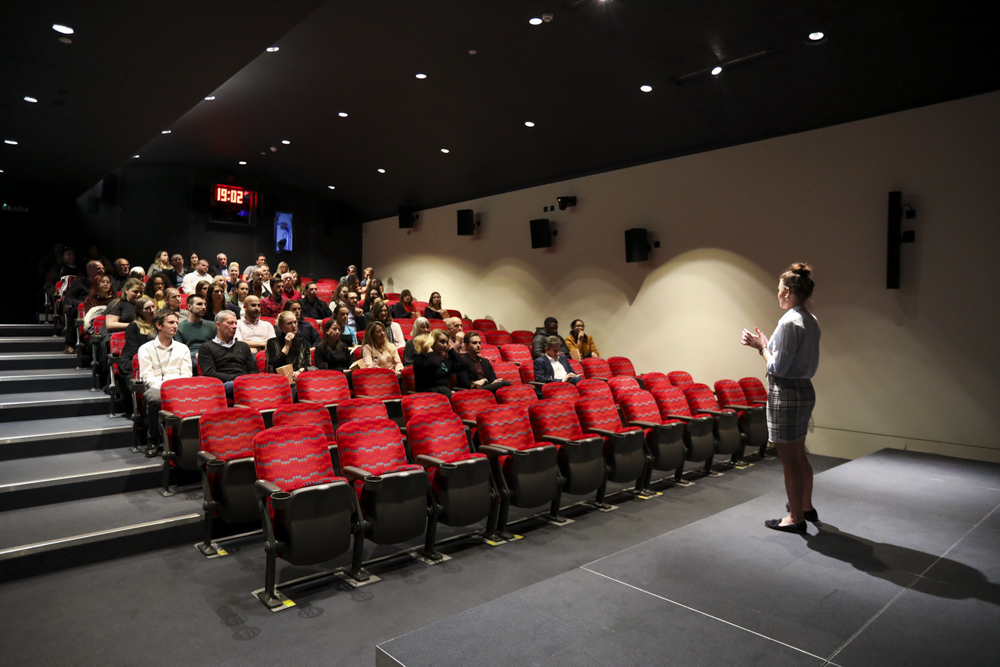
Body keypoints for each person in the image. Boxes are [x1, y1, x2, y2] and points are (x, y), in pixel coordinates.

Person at [741, 263, 820, 534]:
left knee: (790, 461)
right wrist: (766, 342)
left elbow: (777, 367)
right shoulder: (809, 318)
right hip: (803, 391)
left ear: (787, 291)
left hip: (785, 393)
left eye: (778, 290)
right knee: (799, 455)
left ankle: (795, 517)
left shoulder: (789, 322)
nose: (777, 294)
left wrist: (761, 347)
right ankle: (806, 506)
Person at [137, 309, 192, 458]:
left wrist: (175, 390)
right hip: (156, 388)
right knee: (156, 399)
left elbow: (186, 375)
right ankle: (153, 440)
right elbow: (147, 376)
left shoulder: (183, 348)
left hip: (179, 387)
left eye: (176, 322)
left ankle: (186, 443)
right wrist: (166, 390)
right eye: (171, 322)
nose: (175, 326)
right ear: (159, 325)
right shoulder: (146, 349)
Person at [198, 310, 257, 400]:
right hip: (223, 384)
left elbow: (252, 369)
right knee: (241, 385)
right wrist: (238, 378)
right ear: (218, 325)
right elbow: (210, 373)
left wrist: (249, 379)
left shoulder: (243, 346)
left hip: (244, 381)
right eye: (230, 323)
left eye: (235, 323)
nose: (234, 326)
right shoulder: (206, 347)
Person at [61, 260, 105, 352]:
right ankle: (70, 344)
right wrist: (83, 305)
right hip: (83, 307)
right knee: (74, 311)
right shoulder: (79, 283)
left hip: (102, 308)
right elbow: (68, 298)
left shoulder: (106, 283)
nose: (102, 270)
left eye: (102, 268)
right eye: (98, 268)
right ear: (89, 270)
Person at [412, 330, 462, 396]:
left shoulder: (446, 360)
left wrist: (450, 351)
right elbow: (434, 363)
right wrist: (429, 349)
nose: (445, 345)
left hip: (444, 393)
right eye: (442, 342)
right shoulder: (420, 359)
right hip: (428, 396)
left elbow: (462, 365)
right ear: (433, 342)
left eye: (446, 342)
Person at [265, 311, 311, 380]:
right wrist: (287, 346)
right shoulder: (273, 342)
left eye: (295, 322)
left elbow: (307, 364)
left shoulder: (303, 342)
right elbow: (274, 365)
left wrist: (299, 372)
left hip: (299, 377)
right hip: (280, 379)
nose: (294, 326)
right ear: (281, 327)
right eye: (289, 323)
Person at [120, 296, 157, 377]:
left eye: (153, 306)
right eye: (147, 308)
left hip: (156, 359)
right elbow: (134, 350)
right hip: (136, 360)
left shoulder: (158, 325)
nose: (152, 310)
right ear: (139, 311)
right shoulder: (133, 326)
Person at [175, 295, 216, 365]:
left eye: (205, 304)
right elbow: (180, 351)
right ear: (189, 307)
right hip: (189, 358)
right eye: (199, 304)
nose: (203, 307)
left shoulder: (212, 325)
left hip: (210, 356)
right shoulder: (179, 328)